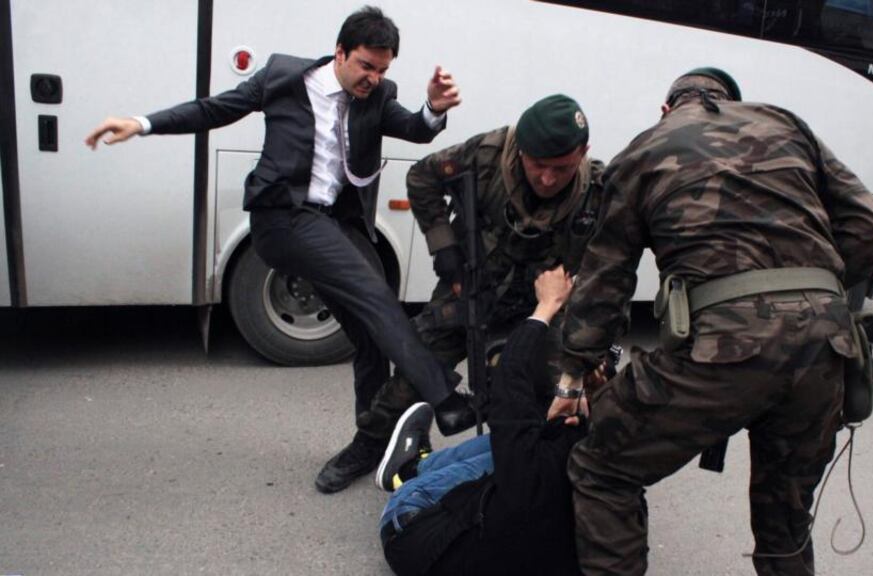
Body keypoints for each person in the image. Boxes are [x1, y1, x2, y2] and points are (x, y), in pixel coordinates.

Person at [84, 6, 473, 493]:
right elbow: (213, 109)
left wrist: (434, 108)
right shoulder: (284, 78)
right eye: (365, 67)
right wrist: (141, 123)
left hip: (336, 221)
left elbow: (417, 128)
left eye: (383, 70)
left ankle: (367, 443)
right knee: (375, 294)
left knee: (370, 331)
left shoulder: (377, 97)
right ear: (340, 52)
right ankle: (446, 400)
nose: (373, 79)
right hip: (282, 220)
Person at [547, 68, 873, 575]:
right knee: (784, 526)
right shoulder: (785, 124)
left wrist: (574, 372)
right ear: (733, 103)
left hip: (720, 352)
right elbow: (867, 225)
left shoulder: (644, 150)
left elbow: (605, 281)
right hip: (826, 349)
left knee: (601, 468)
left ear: (667, 109)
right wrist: (815, 296)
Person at [322, 94, 605, 493]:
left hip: (541, 311)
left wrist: (585, 347)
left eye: (560, 167)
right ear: (521, 149)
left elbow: (609, 274)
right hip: (469, 289)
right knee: (413, 374)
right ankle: (368, 445)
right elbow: (422, 177)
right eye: (537, 165)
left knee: (545, 394)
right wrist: (446, 251)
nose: (546, 178)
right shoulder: (489, 154)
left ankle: (538, 468)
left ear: (583, 151)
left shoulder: (597, 190)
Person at [376, 267, 590, 576]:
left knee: (501, 454)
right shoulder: (616, 493)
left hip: (407, 531)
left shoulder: (531, 464)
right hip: (514, 544)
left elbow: (510, 378)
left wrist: (547, 306)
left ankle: (405, 475)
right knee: (510, 453)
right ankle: (413, 467)